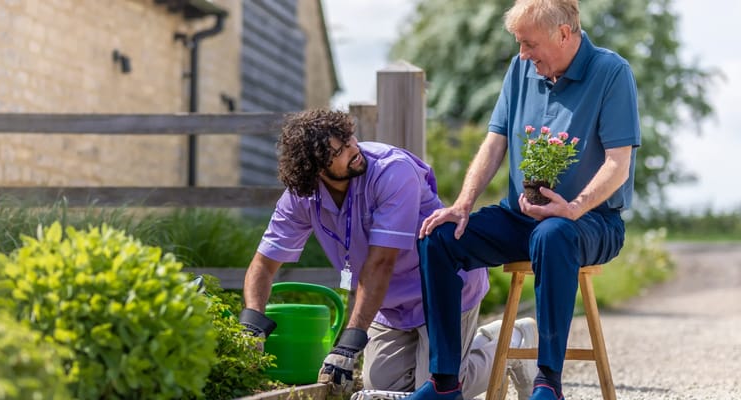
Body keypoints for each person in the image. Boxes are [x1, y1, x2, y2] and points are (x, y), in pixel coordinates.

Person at [406, 0, 641, 399]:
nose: (522, 54)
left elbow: (618, 163)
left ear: (563, 34)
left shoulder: (611, 72)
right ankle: (446, 382)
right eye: (519, 44)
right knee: (439, 239)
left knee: (552, 235)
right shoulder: (521, 70)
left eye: (529, 44)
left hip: (592, 222)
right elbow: (495, 142)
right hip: (521, 219)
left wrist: (573, 208)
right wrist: (462, 203)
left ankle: (548, 382)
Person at [239, 108, 538, 399]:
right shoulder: (302, 197)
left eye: (349, 139)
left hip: (442, 288)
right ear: (316, 167)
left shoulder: (391, 171)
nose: (353, 148)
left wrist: (349, 343)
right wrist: (252, 322)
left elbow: (381, 263)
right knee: (383, 389)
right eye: (340, 150)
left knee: (437, 388)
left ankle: (508, 341)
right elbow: (264, 264)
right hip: (388, 303)